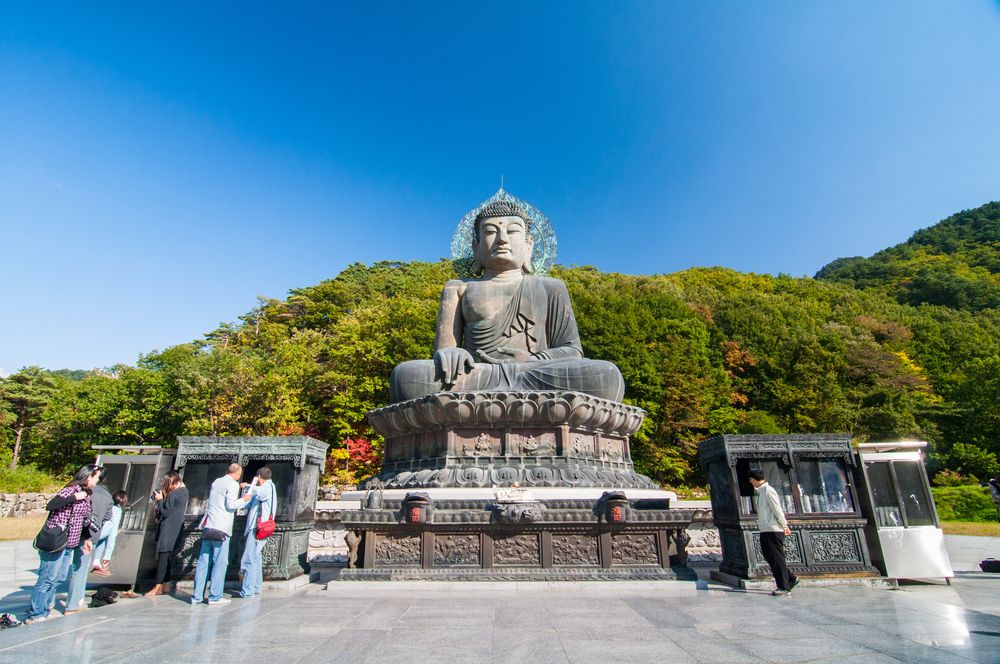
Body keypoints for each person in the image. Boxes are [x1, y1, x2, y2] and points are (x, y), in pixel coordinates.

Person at [389, 194, 625, 403]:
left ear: (528, 244)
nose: (502, 238)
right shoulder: (458, 288)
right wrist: (452, 353)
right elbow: (444, 352)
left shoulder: (551, 287)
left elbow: (572, 351)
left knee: (606, 376)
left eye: (513, 231)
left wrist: (534, 360)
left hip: (535, 372)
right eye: (491, 231)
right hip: (478, 374)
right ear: (475, 246)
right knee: (407, 376)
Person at [25, 465, 100, 624]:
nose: (98, 480)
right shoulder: (71, 490)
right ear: (88, 477)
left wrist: (86, 538)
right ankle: (35, 613)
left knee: (59, 578)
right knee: (47, 577)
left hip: (70, 543)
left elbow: (83, 520)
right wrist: (73, 498)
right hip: (57, 541)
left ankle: (44, 609)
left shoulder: (87, 495)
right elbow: (51, 505)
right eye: (96, 477)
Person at [191, 463, 250, 605]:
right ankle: (215, 596)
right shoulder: (233, 484)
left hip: (209, 527)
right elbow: (230, 505)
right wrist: (244, 499)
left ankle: (197, 596)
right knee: (220, 563)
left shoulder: (217, 482)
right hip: (222, 528)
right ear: (237, 473)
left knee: (203, 563)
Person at [63, 465, 113, 614]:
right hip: (90, 535)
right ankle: (73, 604)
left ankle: (49, 603)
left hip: (69, 531)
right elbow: (108, 517)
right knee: (80, 568)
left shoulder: (77, 489)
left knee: (62, 566)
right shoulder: (106, 496)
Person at [749, 468, 799, 596]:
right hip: (766, 529)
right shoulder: (761, 492)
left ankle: (783, 586)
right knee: (771, 557)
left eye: (750, 480)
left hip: (773, 529)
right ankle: (791, 578)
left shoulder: (768, 491)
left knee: (777, 559)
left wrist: (784, 525)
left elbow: (777, 509)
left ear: (753, 480)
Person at [146, 471, 189, 596]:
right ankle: (166, 584)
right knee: (169, 558)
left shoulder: (173, 495)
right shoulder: (184, 491)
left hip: (168, 529)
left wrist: (159, 501)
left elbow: (165, 512)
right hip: (177, 529)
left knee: (163, 558)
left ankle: (158, 587)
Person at [238, 466, 276, 598]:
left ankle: (248, 590)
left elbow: (260, 493)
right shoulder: (263, 488)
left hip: (258, 527)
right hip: (257, 526)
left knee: (250, 558)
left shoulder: (268, 487)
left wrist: (248, 486)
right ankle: (255, 586)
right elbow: (249, 502)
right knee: (256, 557)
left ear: (259, 477)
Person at [91, 490, 128, 576]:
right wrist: (108, 555)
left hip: (94, 531)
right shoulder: (117, 510)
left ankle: (96, 560)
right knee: (109, 532)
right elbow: (113, 533)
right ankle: (97, 560)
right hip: (98, 535)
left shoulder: (108, 506)